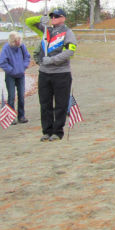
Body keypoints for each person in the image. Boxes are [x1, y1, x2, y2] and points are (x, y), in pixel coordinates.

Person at [25, 9, 77, 141]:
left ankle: (57, 131)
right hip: (44, 73)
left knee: (60, 104)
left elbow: (70, 51)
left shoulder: (68, 32)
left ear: (63, 18)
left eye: (56, 16)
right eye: (52, 16)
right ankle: (46, 131)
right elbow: (28, 22)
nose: (53, 18)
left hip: (61, 73)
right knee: (45, 103)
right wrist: (39, 18)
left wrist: (53, 60)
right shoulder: (46, 31)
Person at [0, 32, 31, 124]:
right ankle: (11, 117)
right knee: (11, 96)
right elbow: (2, 62)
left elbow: (27, 57)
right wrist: (12, 70)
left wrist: (23, 66)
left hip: (21, 74)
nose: (18, 42)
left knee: (21, 96)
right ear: (12, 41)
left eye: (19, 40)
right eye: (16, 41)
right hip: (10, 76)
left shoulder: (22, 46)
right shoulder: (6, 48)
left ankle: (21, 116)